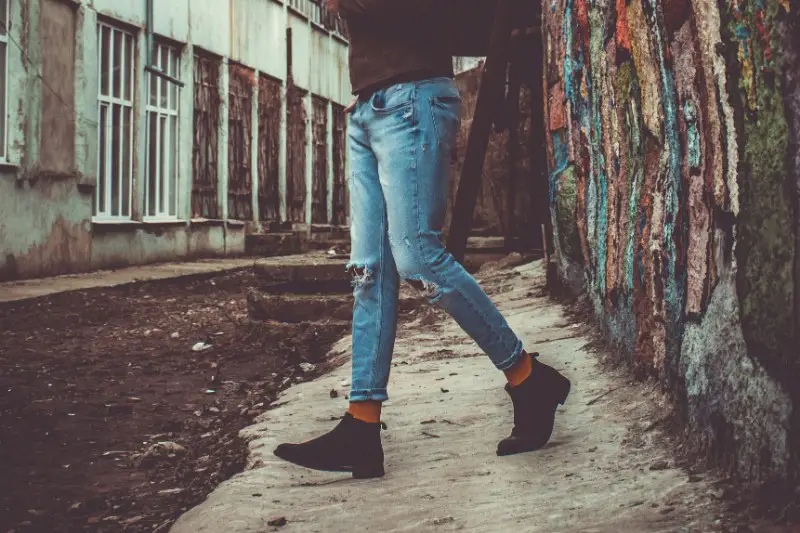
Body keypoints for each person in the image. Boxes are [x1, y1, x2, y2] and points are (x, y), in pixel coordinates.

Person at [274, 0, 570, 479]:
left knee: (417, 257)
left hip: (412, 102)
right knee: (368, 273)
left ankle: (527, 376)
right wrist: (371, 88)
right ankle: (362, 427)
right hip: (371, 107)